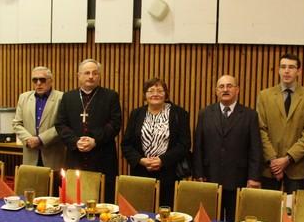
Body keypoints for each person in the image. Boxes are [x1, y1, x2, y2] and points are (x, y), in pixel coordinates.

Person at [193, 75, 262, 221]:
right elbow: (198, 146)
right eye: (221, 86)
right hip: (210, 178)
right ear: (216, 91)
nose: (225, 89)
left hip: (238, 179)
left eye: (229, 86)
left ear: (237, 90)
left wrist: (253, 177)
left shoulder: (250, 115)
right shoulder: (205, 113)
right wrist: (198, 174)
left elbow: (255, 148)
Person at [55, 59, 122, 202]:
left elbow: (115, 124)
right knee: (74, 199)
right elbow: (60, 124)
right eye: (87, 73)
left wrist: (95, 140)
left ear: (99, 76)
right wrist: (75, 141)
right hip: (75, 156)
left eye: (95, 73)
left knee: (103, 201)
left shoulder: (110, 96)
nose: (91, 76)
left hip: (102, 156)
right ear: (78, 75)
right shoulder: (68, 97)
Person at [122, 78, 191, 208]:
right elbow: (126, 144)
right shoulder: (136, 114)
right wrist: (141, 160)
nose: (155, 94)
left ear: (166, 94)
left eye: (160, 91)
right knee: (140, 211)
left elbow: (184, 144)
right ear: (145, 95)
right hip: (141, 173)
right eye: (151, 91)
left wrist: (162, 160)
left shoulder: (179, 114)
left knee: (166, 213)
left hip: (168, 173)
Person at [256, 53, 304, 194]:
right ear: (278, 70)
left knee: (292, 207)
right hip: (270, 168)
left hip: (296, 167)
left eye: (291, 67)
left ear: (299, 71)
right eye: (283, 67)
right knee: (269, 206)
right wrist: (274, 161)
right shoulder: (264, 96)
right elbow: (261, 130)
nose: (286, 71)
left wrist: (287, 159)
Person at [12, 66, 65, 175]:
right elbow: (17, 123)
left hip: (53, 156)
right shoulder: (24, 97)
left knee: (53, 186)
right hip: (30, 155)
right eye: (35, 80)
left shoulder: (62, 98)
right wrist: (28, 139)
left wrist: (40, 139)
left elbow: (64, 125)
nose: (38, 83)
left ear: (51, 81)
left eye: (42, 80)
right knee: (32, 185)